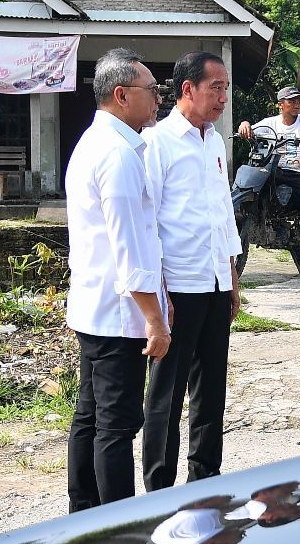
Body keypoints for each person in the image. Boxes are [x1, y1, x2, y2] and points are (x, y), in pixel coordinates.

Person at [64, 48, 171, 512]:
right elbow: (129, 248)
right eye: (152, 90)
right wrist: (156, 319)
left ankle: (84, 514)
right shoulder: (117, 155)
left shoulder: (99, 143)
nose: (158, 99)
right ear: (122, 95)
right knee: (117, 424)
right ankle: (117, 526)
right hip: (117, 314)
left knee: (90, 417)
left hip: (95, 307)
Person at [141, 51, 241, 487]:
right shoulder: (156, 143)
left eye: (225, 88)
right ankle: (159, 485)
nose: (223, 98)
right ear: (188, 90)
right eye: (215, 88)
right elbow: (148, 223)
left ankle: (206, 477)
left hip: (215, 281)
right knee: (166, 391)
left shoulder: (215, 141)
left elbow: (223, 212)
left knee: (211, 389)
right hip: (178, 286)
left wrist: (232, 278)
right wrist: (158, 295)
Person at [238, 86, 300, 278]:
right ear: (280, 105)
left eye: (298, 101)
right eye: (292, 101)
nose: (297, 104)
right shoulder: (269, 123)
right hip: (277, 171)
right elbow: (248, 130)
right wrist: (245, 125)